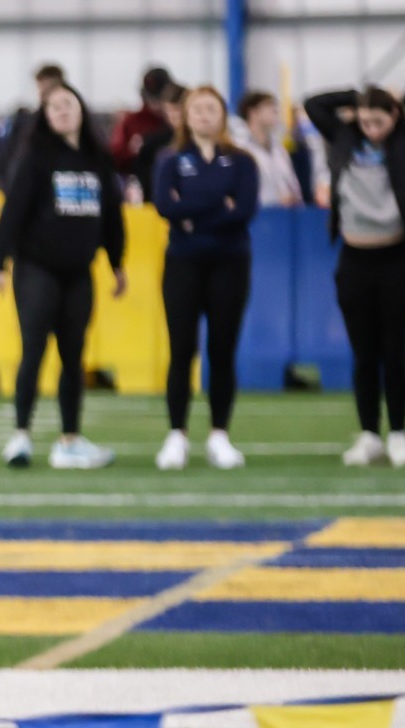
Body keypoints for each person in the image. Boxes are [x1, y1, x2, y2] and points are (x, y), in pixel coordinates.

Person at [306, 83, 405, 468]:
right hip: (354, 257)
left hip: (397, 257)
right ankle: (369, 434)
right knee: (364, 352)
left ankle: (398, 434)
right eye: (365, 121)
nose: (371, 129)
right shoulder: (344, 134)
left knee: (395, 350)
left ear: (395, 116)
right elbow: (314, 103)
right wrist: (356, 97)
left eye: (379, 121)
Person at [0, 82, 126, 470]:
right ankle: (20, 436)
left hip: (79, 272)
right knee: (33, 350)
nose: (62, 111)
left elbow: (112, 216)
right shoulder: (35, 157)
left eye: (68, 104)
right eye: (53, 107)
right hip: (37, 269)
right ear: (45, 117)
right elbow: (12, 212)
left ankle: (69, 440)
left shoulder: (97, 159)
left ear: (81, 108)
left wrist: (117, 263)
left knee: (73, 355)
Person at [152, 87, 259, 471]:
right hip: (183, 263)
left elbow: (244, 210)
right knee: (182, 351)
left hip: (230, 263)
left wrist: (192, 212)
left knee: (222, 349)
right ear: (184, 115)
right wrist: (218, 203)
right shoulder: (170, 160)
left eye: (211, 108)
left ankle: (219, 435)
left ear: (223, 115)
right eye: (196, 109)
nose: (203, 115)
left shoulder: (243, 161)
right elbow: (165, 205)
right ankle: (177, 435)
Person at [0, 64, 65, 189]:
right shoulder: (25, 124)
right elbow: (9, 159)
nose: (43, 93)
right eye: (41, 88)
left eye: (49, 88)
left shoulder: (73, 124)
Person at [233, 90, 301, 207]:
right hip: (257, 217)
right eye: (269, 105)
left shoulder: (279, 150)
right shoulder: (239, 149)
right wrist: (275, 202)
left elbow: (293, 185)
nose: (275, 110)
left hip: (285, 217)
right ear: (252, 112)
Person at [111, 66, 175, 181]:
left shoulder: (177, 122)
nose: (156, 104)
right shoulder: (132, 121)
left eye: (161, 98)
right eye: (152, 99)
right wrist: (130, 151)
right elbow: (114, 158)